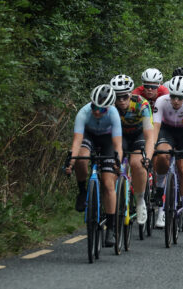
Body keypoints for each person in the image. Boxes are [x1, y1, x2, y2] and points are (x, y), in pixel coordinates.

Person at [66, 84, 122, 247]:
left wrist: (118, 162)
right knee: (81, 158)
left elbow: (117, 144)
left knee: (108, 183)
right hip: (89, 136)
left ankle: (110, 227)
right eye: (94, 107)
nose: (97, 111)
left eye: (102, 109)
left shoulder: (114, 114)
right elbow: (77, 141)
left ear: (108, 108)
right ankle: (82, 191)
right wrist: (71, 162)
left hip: (107, 141)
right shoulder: (83, 113)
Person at [152, 76, 183, 231]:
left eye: (180, 98)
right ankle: (160, 188)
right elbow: (156, 127)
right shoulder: (161, 101)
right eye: (173, 96)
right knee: (162, 155)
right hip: (167, 131)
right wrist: (152, 145)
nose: (176, 101)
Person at [110, 74, 154, 226]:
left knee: (137, 163)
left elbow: (150, 136)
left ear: (130, 94)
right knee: (113, 164)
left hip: (138, 135)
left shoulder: (142, 104)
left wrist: (148, 157)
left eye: (124, 97)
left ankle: (140, 201)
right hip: (120, 136)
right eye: (118, 97)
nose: (121, 100)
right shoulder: (110, 105)